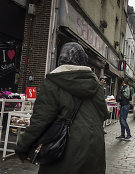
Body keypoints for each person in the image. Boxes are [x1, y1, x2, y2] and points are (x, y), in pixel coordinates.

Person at [15, 42, 109, 174]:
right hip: (95, 147)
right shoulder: (96, 85)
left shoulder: (52, 83)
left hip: (66, 148)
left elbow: (40, 120)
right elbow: (104, 114)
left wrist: (23, 146)